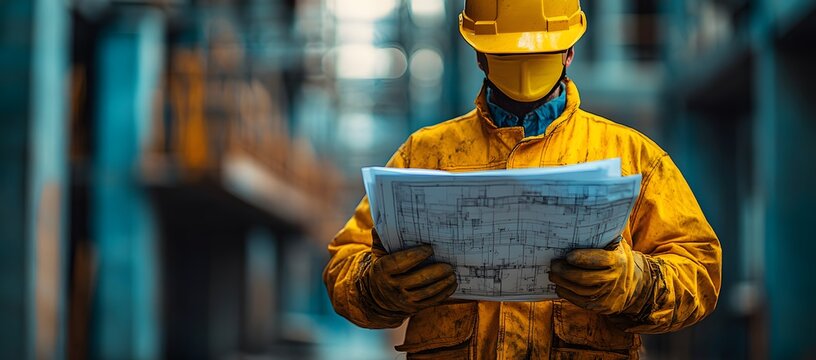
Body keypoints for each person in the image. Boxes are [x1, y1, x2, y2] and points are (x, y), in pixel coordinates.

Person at [323, 0, 722, 358]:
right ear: (479, 55)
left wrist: (634, 283)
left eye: (538, 55)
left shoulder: (633, 157)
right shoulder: (425, 154)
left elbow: (700, 271)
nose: (525, 71)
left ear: (569, 51)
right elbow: (344, 263)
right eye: (509, 56)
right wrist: (376, 286)